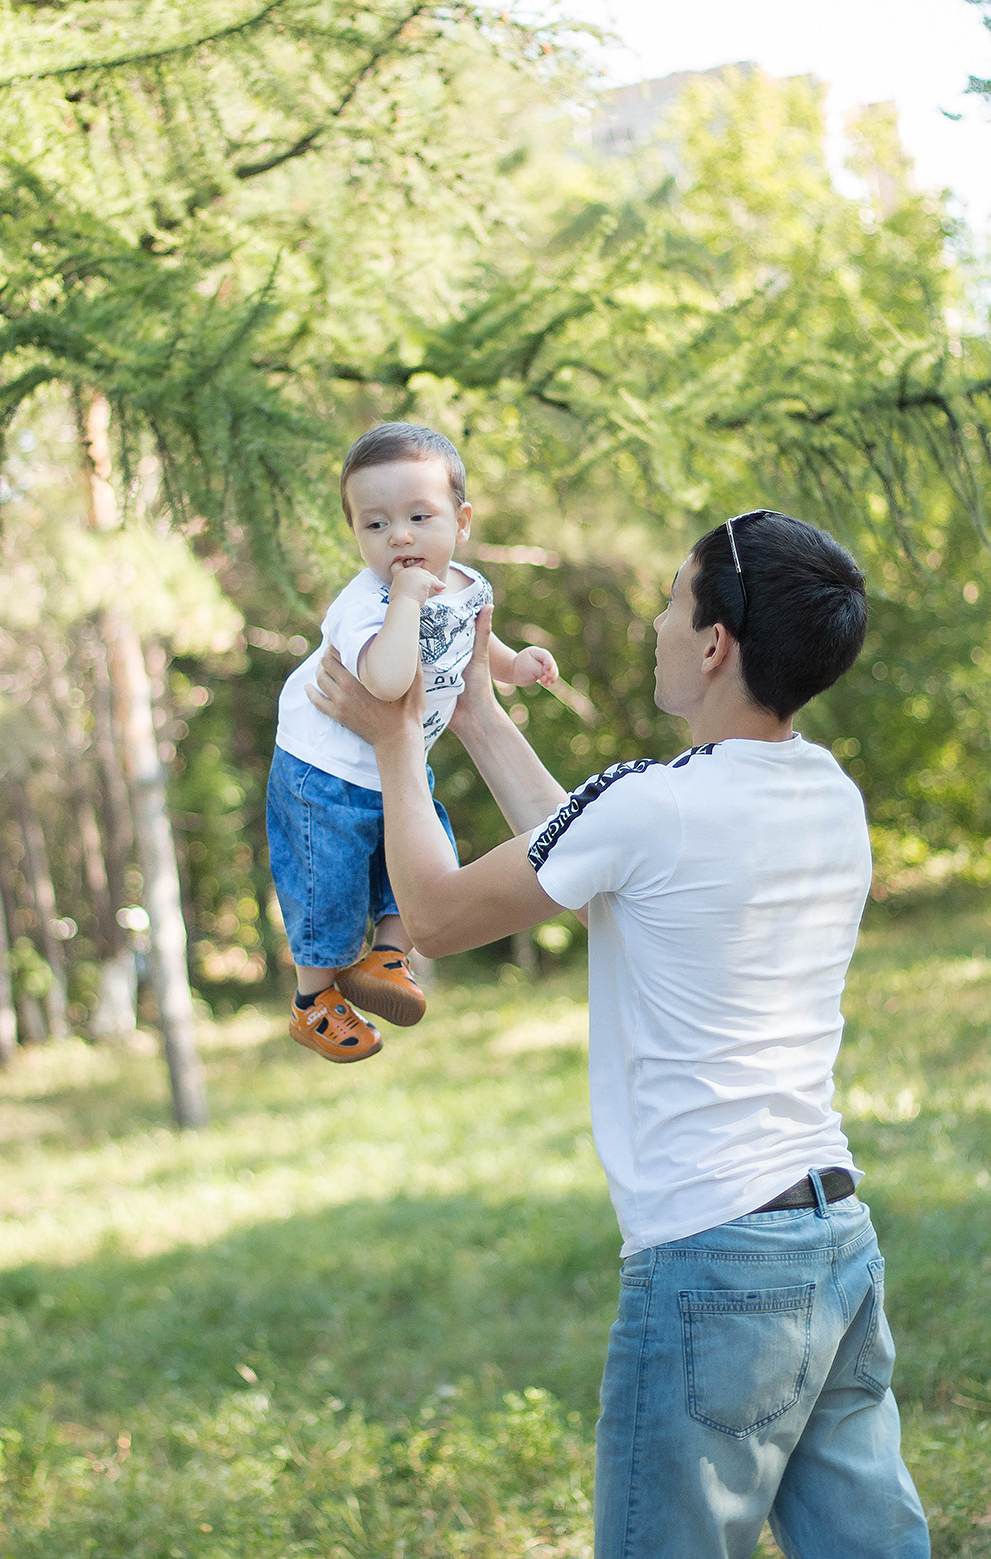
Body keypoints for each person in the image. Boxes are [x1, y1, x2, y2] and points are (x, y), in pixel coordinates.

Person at [306, 509, 930, 1558]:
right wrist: (475, 716)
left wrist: (392, 738)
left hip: (714, 1260)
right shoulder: (829, 793)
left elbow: (438, 917)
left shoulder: (655, 807)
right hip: (833, 1241)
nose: (653, 621)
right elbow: (602, 864)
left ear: (715, 642)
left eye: (670, 602)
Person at [268, 421, 558, 1063]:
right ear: (356, 536)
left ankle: (388, 958)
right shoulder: (366, 605)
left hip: (396, 758)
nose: (398, 536)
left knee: (432, 854)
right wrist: (402, 601)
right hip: (325, 770)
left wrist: (516, 666)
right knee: (328, 883)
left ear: (462, 522)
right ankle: (313, 999)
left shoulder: (467, 584)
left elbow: (474, 646)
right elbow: (388, 678)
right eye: (375, 525)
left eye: (418, 516)